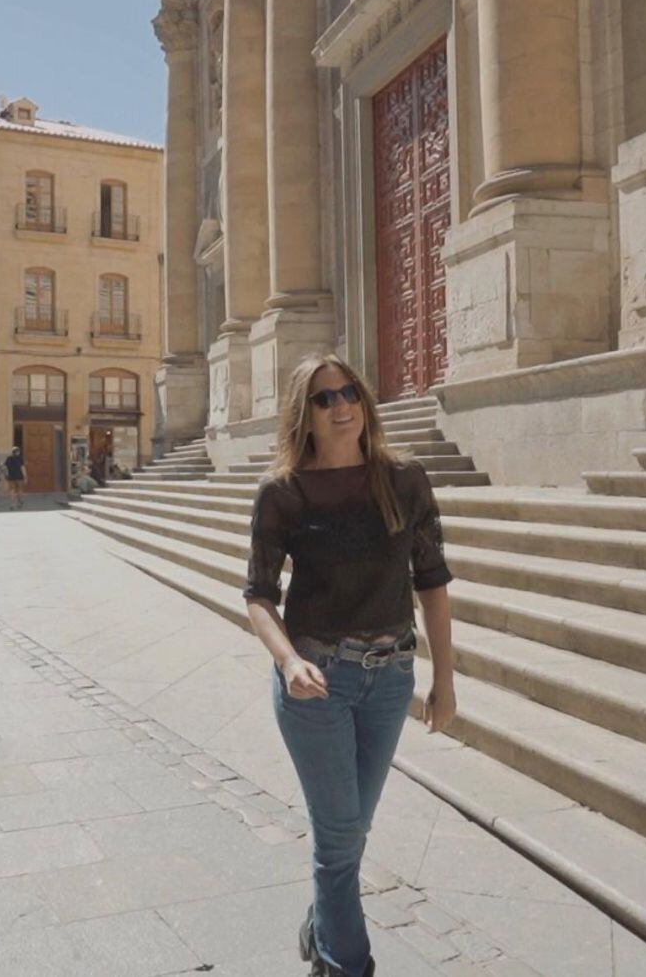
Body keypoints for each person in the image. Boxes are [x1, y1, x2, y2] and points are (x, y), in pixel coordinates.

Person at [244, 354, 456, 977]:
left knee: (351, 832)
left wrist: (443, 680)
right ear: (302, 416)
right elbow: (258, 595)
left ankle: (321, 922)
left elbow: (433, 581)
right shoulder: (282, 493)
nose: (341, 407)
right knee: (339, 839)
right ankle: (344, 963)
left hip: (391, 678)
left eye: (350, 393)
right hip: (317, 681)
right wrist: (286, 662)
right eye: (324, 398)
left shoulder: (406, 480)